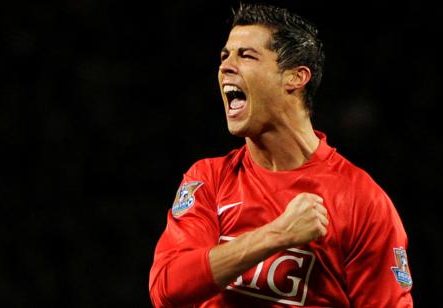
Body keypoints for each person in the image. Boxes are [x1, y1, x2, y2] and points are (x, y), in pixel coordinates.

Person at [149, 3, 413, 307]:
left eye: (246, 55)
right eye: (225, 56)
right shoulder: (208, 179)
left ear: (295, 78)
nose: (225, 66)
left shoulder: (362, 201)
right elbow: (166, 288)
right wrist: (276, 235)